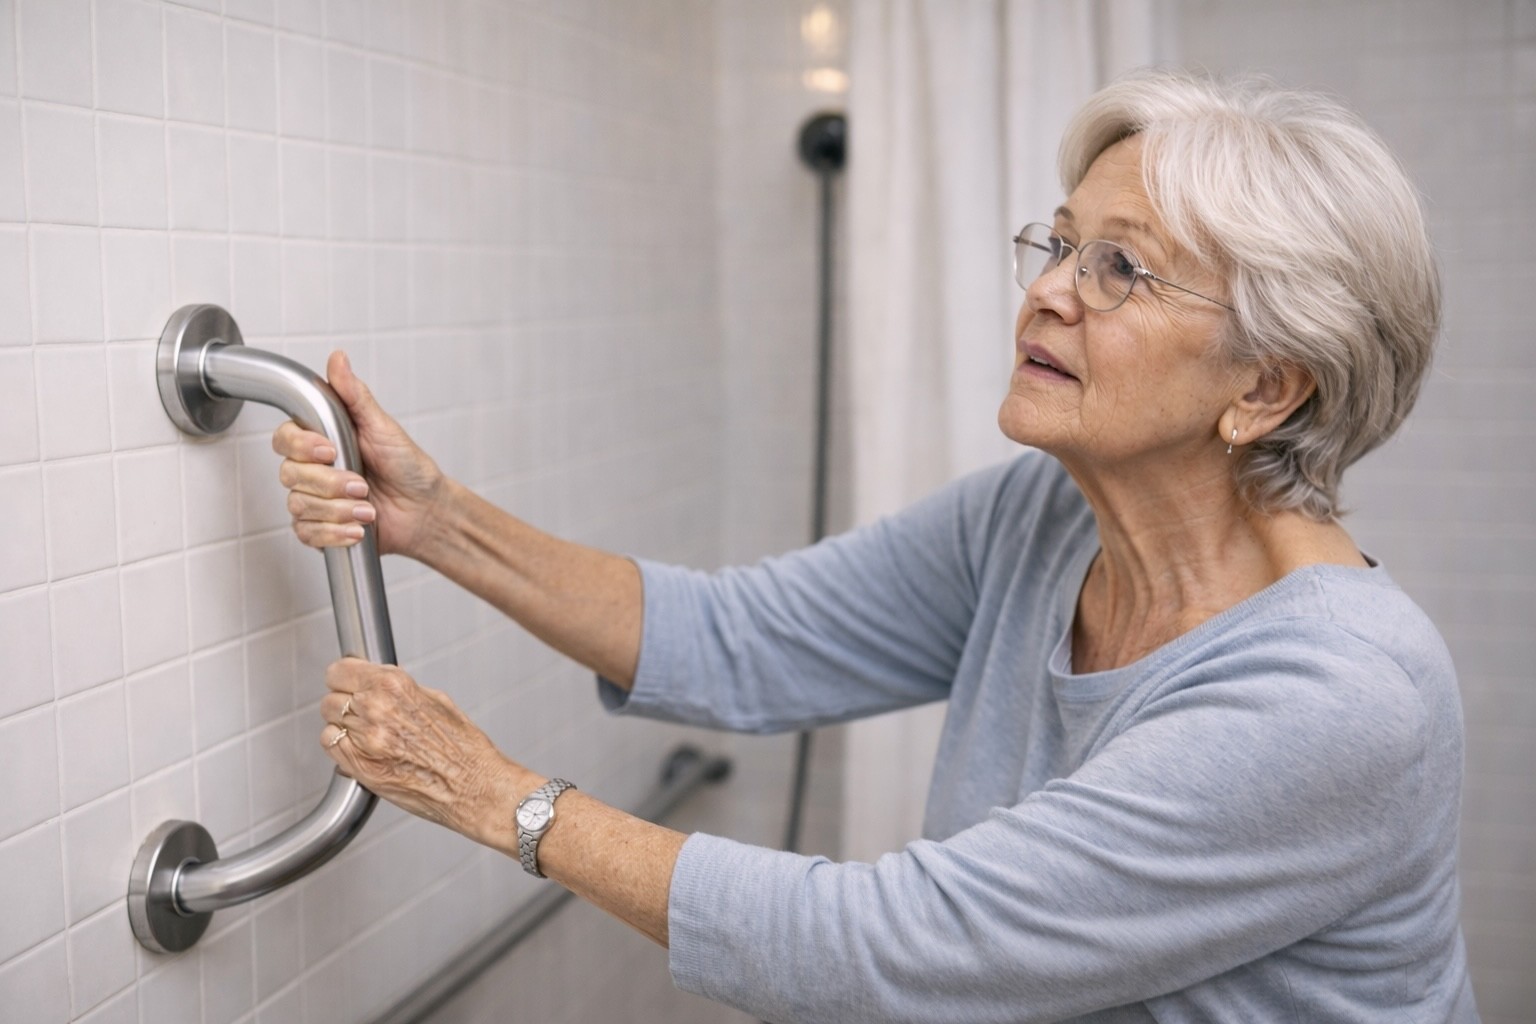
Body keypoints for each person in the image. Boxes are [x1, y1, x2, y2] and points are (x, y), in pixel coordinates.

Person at [273, 68, 1478, 1022]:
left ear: (1266, 389)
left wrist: (499, 799)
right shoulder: (1042, 519)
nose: (1051, 290)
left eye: (1122, 269)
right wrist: (435, 518)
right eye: (1061, 243)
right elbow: (737, 638)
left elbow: (896, 951)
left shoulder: (1337, 696)